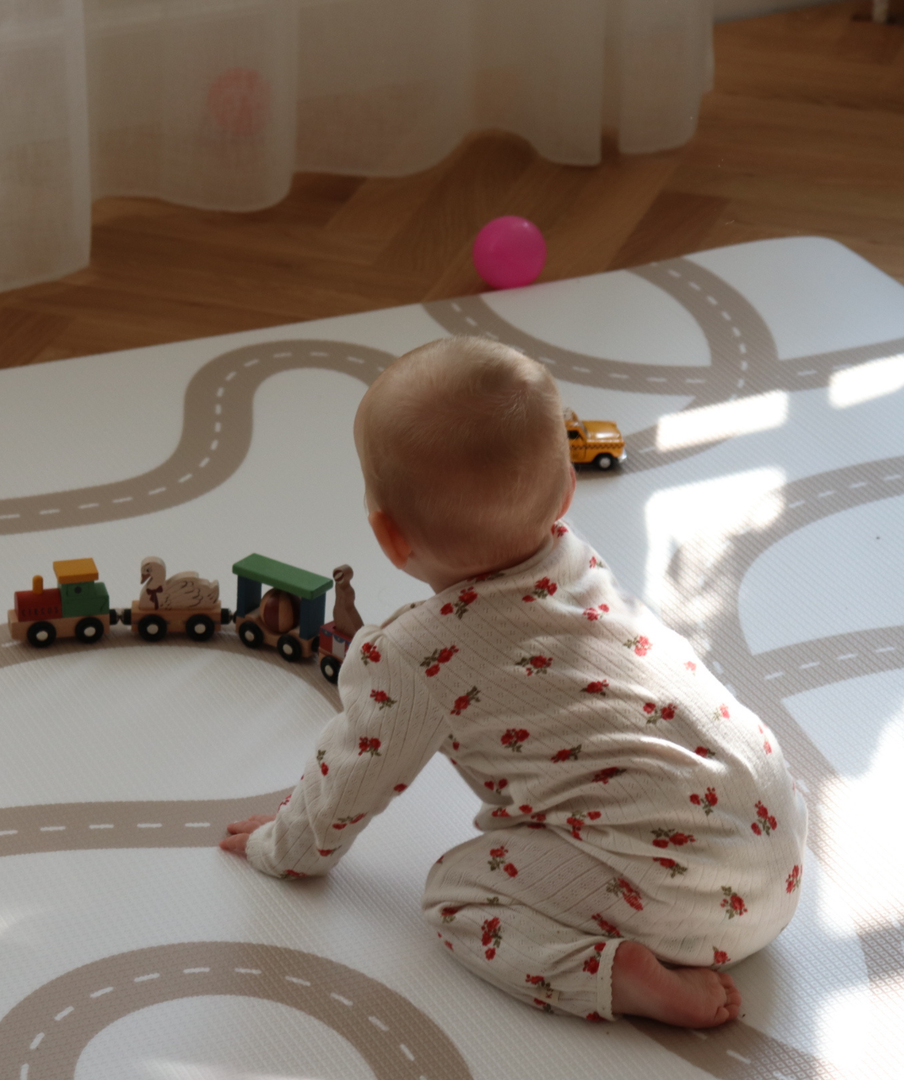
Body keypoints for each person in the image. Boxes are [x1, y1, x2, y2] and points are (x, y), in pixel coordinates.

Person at [221, 336, 807, 1027]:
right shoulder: (578, 562)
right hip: (778, 845)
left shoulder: (410, 657)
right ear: (566, 492)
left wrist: (280, 848)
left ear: (389, 536)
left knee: (456, 892)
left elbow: (347, 782)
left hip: (686, 906)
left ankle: (614, 976)